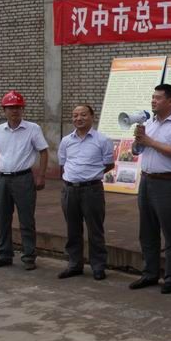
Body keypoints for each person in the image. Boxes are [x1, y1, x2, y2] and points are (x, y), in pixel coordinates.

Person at [130, 83, 171, 294]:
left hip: (168, 183)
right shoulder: (150, 123)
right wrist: (138, 141)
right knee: (147, 231)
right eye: (153, 97)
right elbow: (138, 151)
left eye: (158, 98)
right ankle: (150, 273)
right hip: (147, 181)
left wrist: (149, 141)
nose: (153, 101)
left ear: (170, 101)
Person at [0, 90, 49, 271]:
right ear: (4, 110)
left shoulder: (33, 129)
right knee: (2, 219)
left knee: (26, 219)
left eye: (18, 107)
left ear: (23, 109)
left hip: (23, 179)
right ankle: (4, 255)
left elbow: (43, 152)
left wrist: (41, 175)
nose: (14, 111)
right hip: (2, 179)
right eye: (10, 108)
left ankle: (29, 256)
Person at [57, 104, 115, 281]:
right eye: (75, 115)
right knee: (72, 229)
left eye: (83, 115)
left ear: (92, 117)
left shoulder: (102, 140)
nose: (78, 118)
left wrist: (90, 175)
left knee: (95, 230)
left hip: (92, 190)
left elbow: (109, 164)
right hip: (69, 190)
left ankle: (98, 266)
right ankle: (74, 265)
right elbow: (63, 164)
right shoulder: (66, 141)